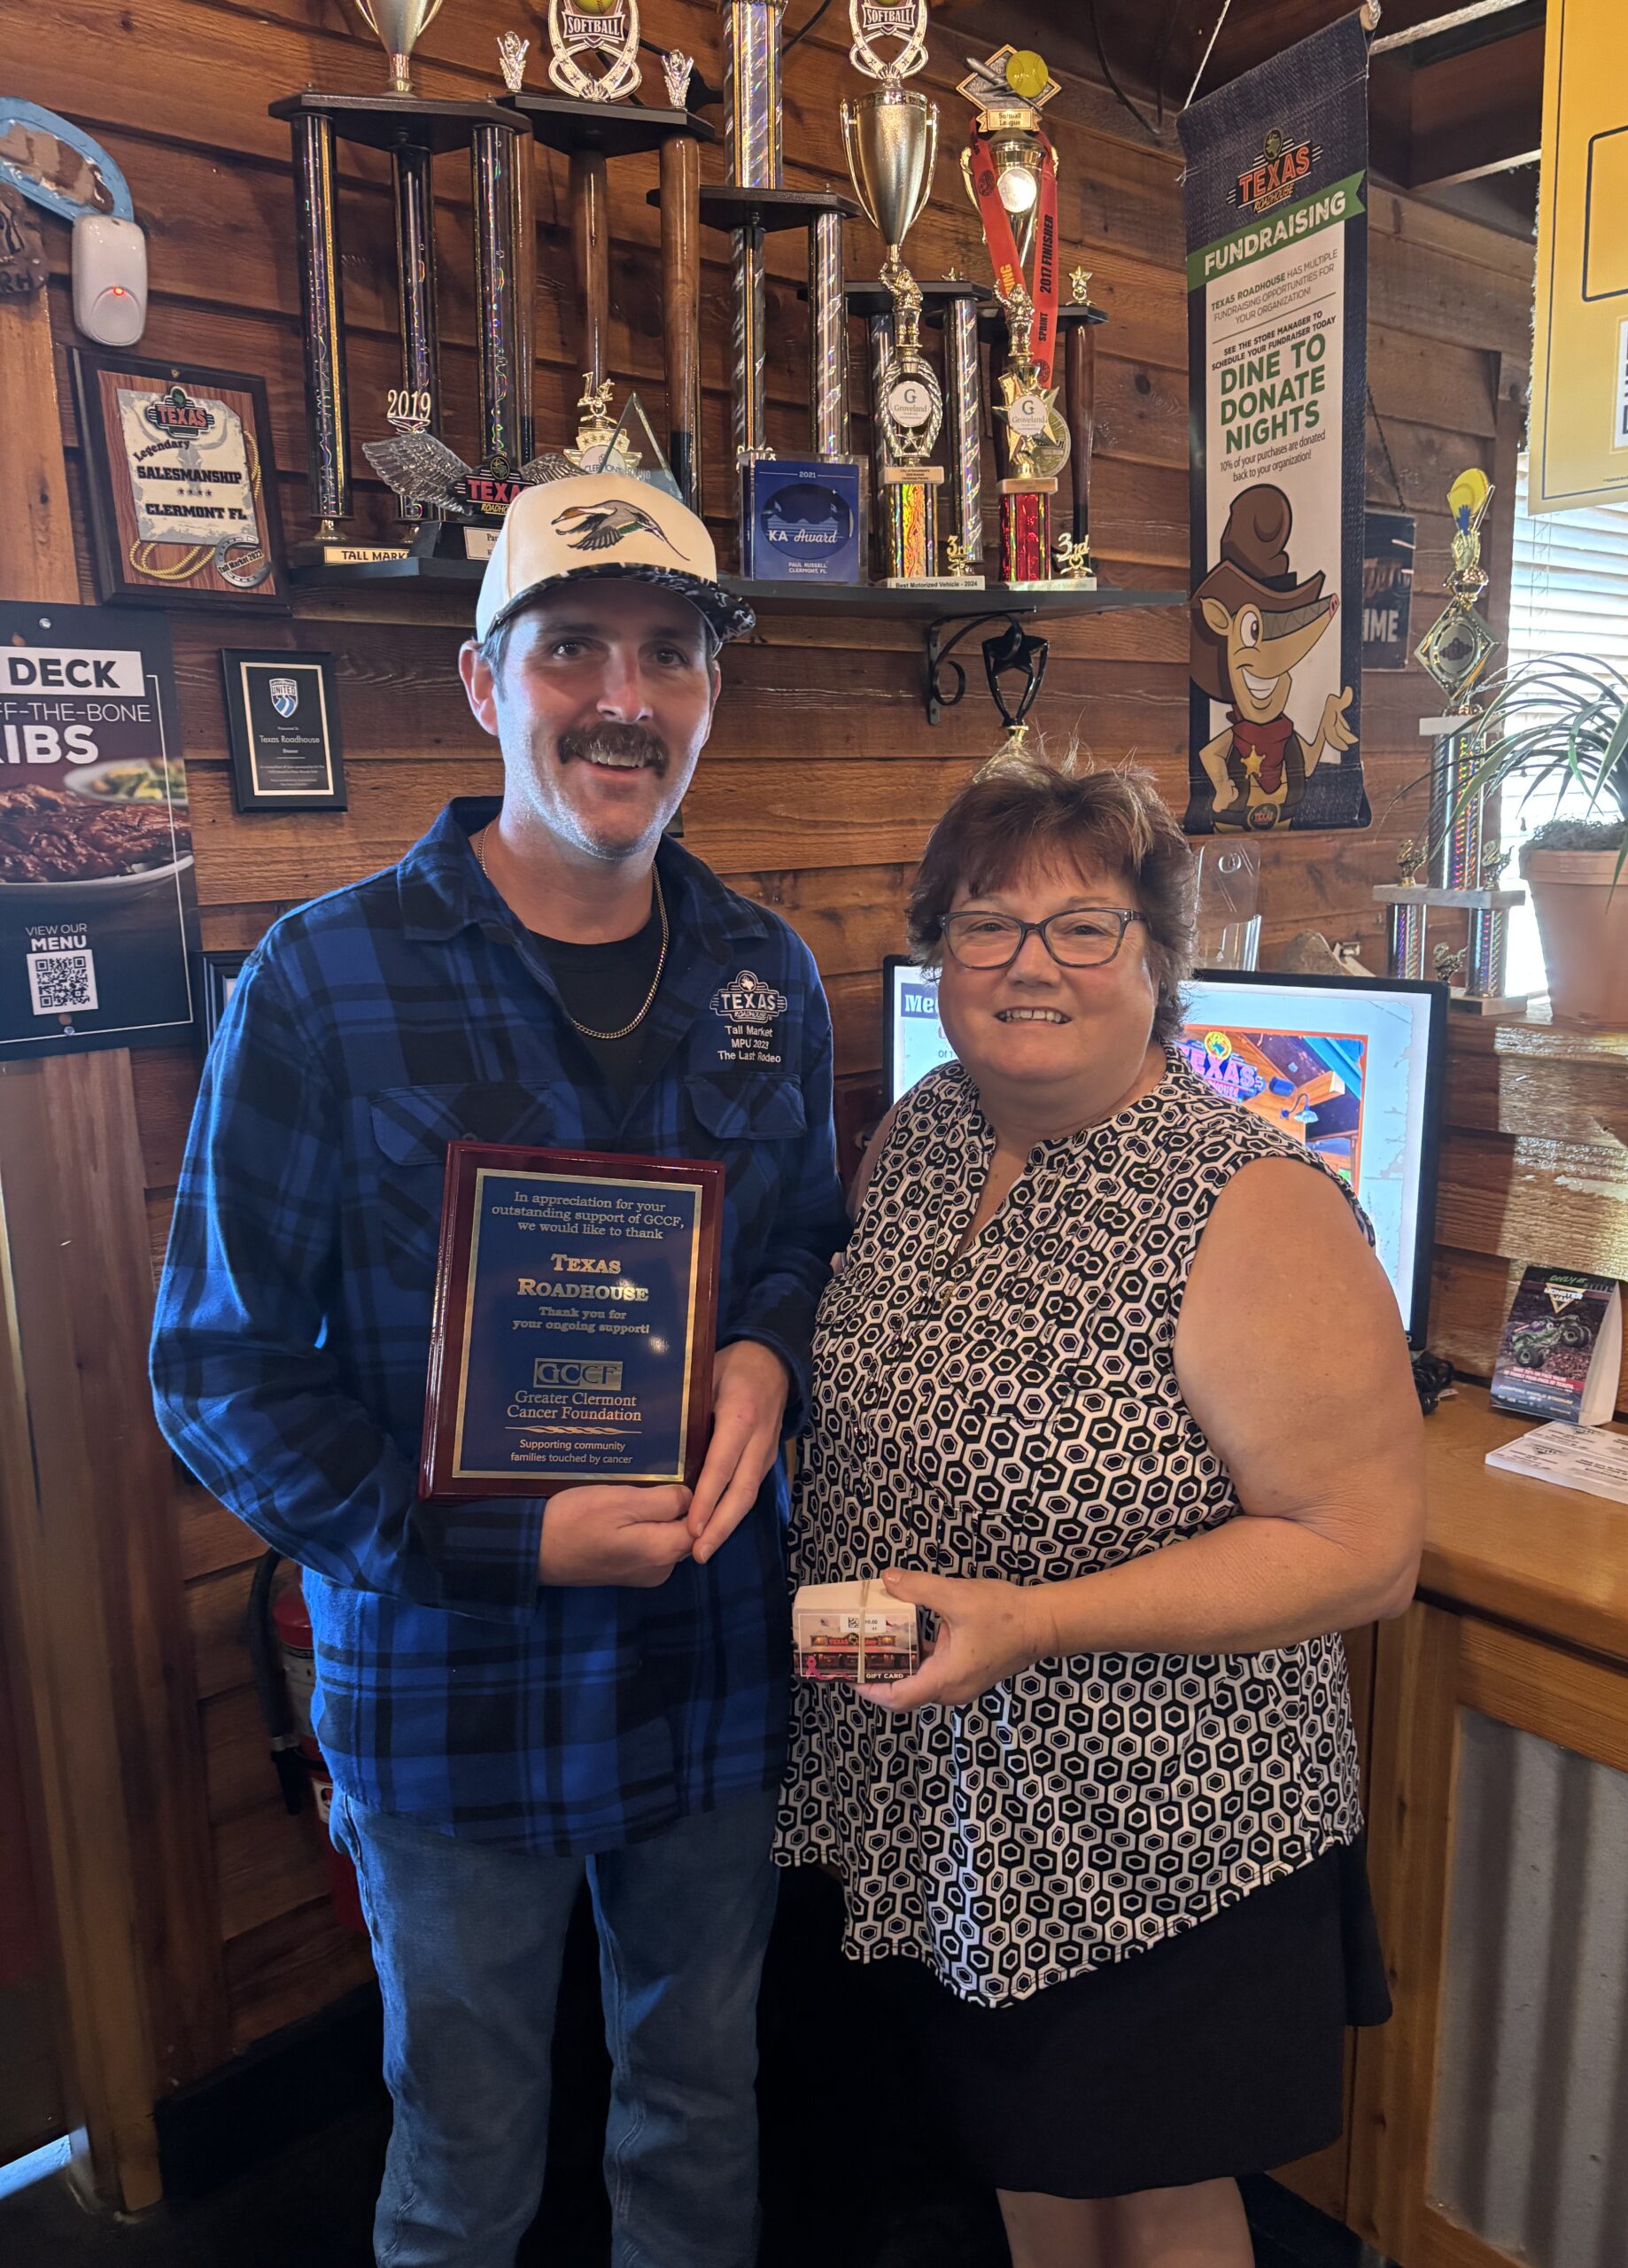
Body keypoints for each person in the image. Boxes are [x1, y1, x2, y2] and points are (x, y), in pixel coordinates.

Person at [152, 473, 845, 2268]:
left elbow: (798, 1238)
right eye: (577, 647)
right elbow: (217, 1370)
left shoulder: (769, 973)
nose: (627, 693)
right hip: (453, 1697)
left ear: (708, 692)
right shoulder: (322, 982)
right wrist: (499, 1543)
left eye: (672, 653)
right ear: (485, 682)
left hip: (706, 1674)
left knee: (699, 2113)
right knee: (460, 2166)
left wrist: (771, 1348)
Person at [775, 753, 1423, 2268]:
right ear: (939, 954)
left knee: (1163, 2194)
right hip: (952, 1809)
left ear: (1162, 960)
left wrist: (1041, 1622)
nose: (1028, 963)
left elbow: (1366, 1550)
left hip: (1163, 1824)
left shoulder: (1253, 1198)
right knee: (1036, 2174)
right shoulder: (928, 1128)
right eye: (986, 924)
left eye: (1087, 926)